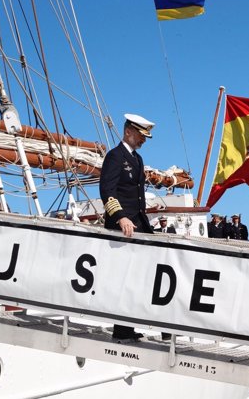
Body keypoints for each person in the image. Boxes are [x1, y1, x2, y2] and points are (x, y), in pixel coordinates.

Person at [99, 113, 155, 341]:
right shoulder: (115, 157)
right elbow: (107, 190)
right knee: (124, 278)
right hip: (123, 227)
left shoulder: (137, 159)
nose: (143, 140)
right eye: (141, 135)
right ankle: (121, 330)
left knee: (137, 278)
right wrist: (120, 217)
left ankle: (129, 326)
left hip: (138, 224)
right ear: (129, 132)